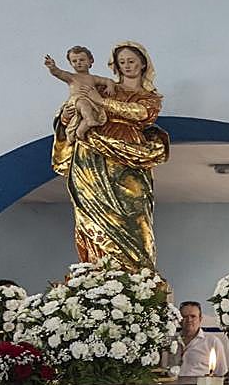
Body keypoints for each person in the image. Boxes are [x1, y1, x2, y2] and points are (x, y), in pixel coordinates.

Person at [51, 41, 169, 272]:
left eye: (131, 61)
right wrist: (66, 115)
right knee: (92, 209)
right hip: (91, 151)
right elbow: (74, 109)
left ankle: (138, 274)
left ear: (143, 63)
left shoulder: (149, 96)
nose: (126, 66)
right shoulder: (103, 87)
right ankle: (97, 271)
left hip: (129, 151)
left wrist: (102, 102)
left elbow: (141, 113)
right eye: (121, 62)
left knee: (135, 212)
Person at [43, 46, 115, 144]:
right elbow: (58, 73)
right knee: (85, 107)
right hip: (77, 101)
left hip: (91, 103)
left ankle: (78, 133)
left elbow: (108, 80)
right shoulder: (72, 77)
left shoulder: (93, 78)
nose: (78, 63)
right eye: (74, 61)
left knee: (93, 114)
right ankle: (89, 120)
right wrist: (52, 67)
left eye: (82, 60)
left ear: (90, 61)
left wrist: (110, 87)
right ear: (71, 63)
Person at [177, 301, 229, 377]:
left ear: (200, 319)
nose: (189, 320)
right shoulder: (171, 341)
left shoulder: (212, 342)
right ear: (179, 320)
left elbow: (221, 373)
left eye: (193, 316)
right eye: (184, 316)